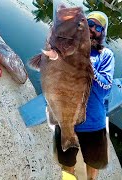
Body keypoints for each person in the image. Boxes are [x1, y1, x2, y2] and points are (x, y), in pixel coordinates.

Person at [54, 11, 115, 180]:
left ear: (103, 33)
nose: (93, 29)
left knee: (93, 165)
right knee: (67, 164)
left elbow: (105, 89)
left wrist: (89, 67)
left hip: (93, 124)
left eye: (98, 27)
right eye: (90, 24)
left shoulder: (106, 55)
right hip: (66, 121)